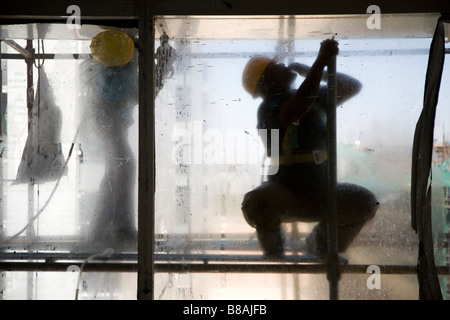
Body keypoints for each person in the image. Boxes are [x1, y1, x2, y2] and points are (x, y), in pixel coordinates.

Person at [241, 38, 379, 259]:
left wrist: (314, 70)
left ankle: (319, 243)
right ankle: (274, 249)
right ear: (267, 83)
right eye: (275, 67)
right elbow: (296, 109)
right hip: (285, 193)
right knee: (256, 203)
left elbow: (352, 86)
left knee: (365, 202)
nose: (284, 66)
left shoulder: (315, 97)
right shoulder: (268, 108)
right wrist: (320, 62)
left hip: (320, 191)